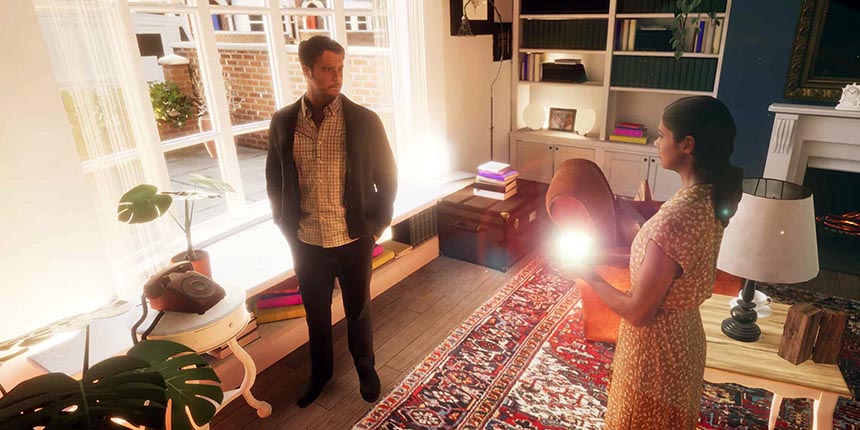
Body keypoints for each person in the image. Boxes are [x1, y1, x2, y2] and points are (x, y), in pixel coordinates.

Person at [567, 96, 743, 429]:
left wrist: (589, 274)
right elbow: (674, 253)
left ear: (687, 145)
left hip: (655, 357)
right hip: (684, 340)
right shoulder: (707, 197)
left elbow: (638, 311)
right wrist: (642, 224)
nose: (656, 142)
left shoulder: (677, 218)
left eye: (662, 135)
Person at [265, 35, 397, 408]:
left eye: (340, 68)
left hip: (353, 237)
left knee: (359, 310)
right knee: (316, 314)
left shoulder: (365, 121)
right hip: (306, 240)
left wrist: (376, 226)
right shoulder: (283, 122)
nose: (337, 76)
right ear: (307, 70)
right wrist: (283, 224)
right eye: (327, 69)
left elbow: (387, 177)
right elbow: (274, 179)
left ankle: (366, 369)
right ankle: (321, 373)